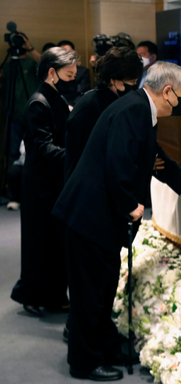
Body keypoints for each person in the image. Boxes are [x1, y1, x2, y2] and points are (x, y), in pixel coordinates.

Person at [52, 61, 181, 381]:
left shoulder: (140, 108)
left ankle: (106, 347)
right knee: (90, 294)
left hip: (98, 217)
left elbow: (153, 155)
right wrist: (130, 205)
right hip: (90, 216)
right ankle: (83, 361)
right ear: (167, 91)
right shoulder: (134, 110)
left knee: (103, 288)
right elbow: (116, 163)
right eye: (180, 93)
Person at [10, 47, 78, 316]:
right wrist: (76, 155)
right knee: (41, 243)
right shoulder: (40, 102)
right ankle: (32, 295)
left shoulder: (55, 97)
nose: (73, 79)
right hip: (41, 185)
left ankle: (52, 296)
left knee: (53, 243)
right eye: (69, 74)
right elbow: (42, 148)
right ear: (52, 73)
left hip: (51, 182)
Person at [65, 47, 142, 182]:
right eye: (133, 82)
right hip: (88, 184)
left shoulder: (117, 101)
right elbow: (86, 155)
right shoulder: (90, 107)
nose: (135, 87)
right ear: (114, 81)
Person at [0, 33, 41, 210]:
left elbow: (45, 64)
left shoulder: (31, 62)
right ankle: (13, 194)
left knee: (33, 153)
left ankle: (31, 192)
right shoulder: (10, 65)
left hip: (30, 115)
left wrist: (28, 46)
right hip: (13, 115)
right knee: (13, 155)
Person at [58, 40, 92, 106]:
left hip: (75, 105)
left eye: (69, 52)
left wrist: (71, 106)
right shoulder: (54, 71)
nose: (67, 55)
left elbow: (83, 92)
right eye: (63, 52)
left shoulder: (82, 71)